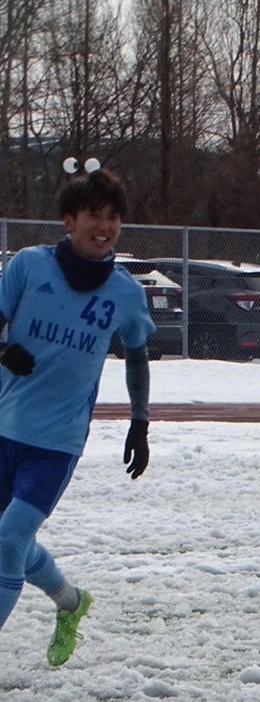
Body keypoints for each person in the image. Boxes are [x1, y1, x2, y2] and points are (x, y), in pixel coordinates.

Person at [0, 167, 153, 666]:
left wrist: (140, 422)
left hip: (57, 442)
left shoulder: (126, 293)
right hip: (4, 426)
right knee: (11, 541)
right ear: (69, 221)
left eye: (114, 217)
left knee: (9, 538)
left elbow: (136, 357)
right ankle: (70, 601)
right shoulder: (29, 266)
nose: (104, 226)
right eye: (94, 215)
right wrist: (3, 350)